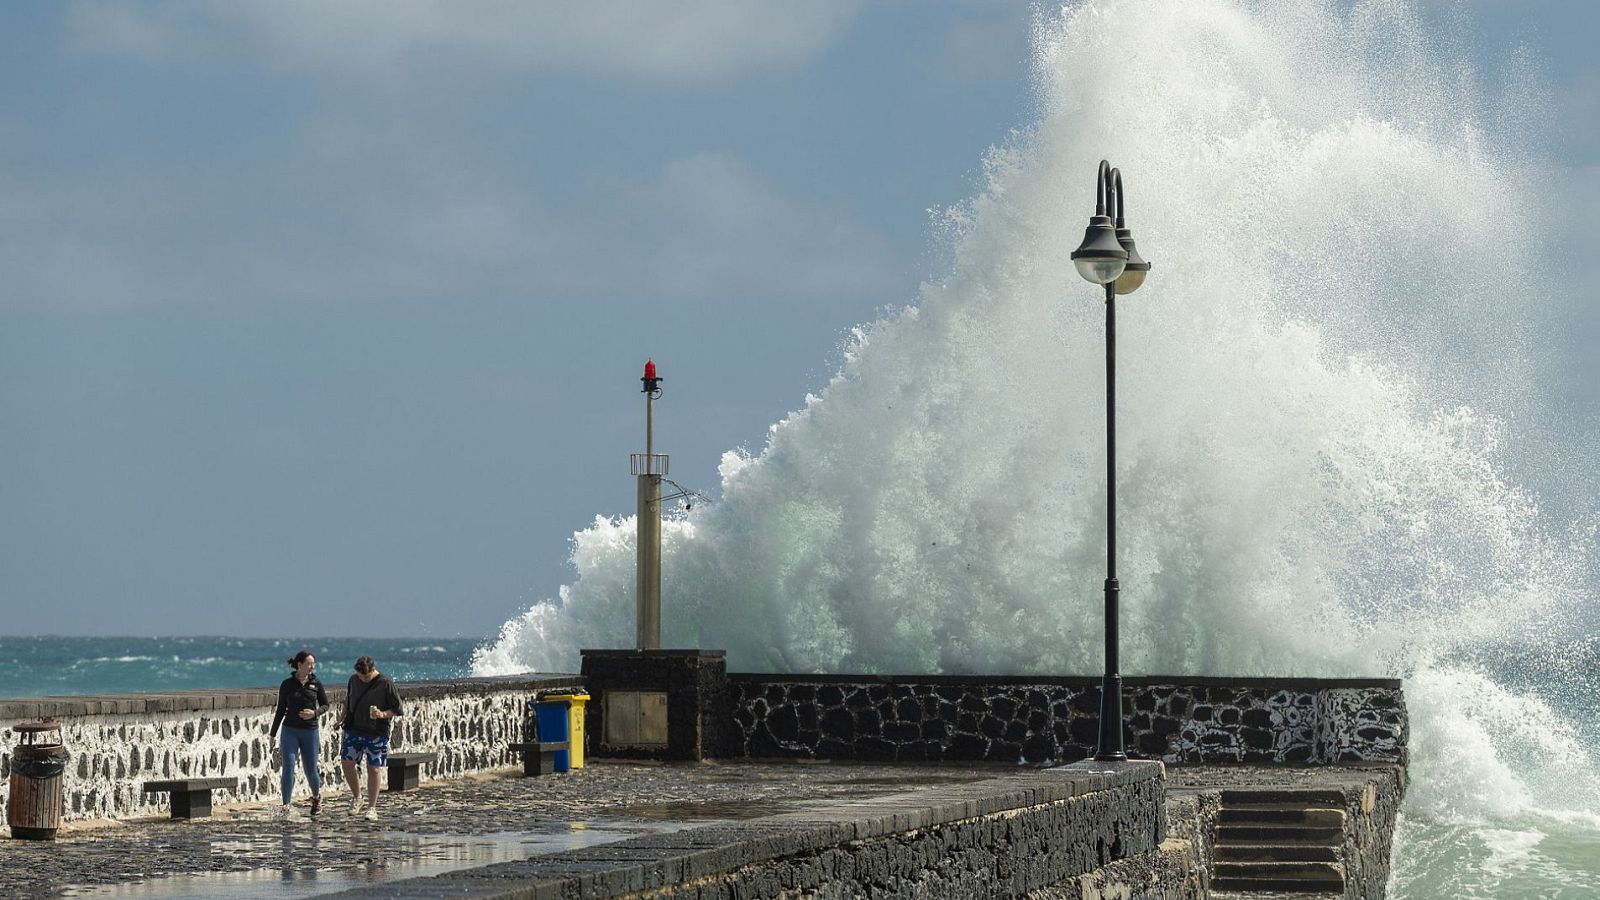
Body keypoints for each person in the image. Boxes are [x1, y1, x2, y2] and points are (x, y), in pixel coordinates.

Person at [340, 655, 404, 821]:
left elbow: (397, 709)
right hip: (354, 729)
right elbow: (348, 700)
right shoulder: (353, 680)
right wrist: (341, 717)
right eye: (360, 676)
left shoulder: (385, 683)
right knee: (347, 763)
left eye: (366, 677)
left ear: (373, 671)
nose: (363, 679)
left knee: (373, 768)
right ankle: (357, 798)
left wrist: (382, 714)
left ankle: (372, 807)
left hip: (376, 732)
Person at [268, 650, 329, 817]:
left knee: (310, 770)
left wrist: (314, 713)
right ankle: (286, 805)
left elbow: (325, 705)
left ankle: (316, 798)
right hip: (290, 731)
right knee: (288, 767)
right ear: (299, 664)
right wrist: (272, 734)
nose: (312, 667)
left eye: (313, 664)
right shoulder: (287, 684)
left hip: (310, 731)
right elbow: (280, 710)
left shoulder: (316, 683)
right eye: (309, 664)